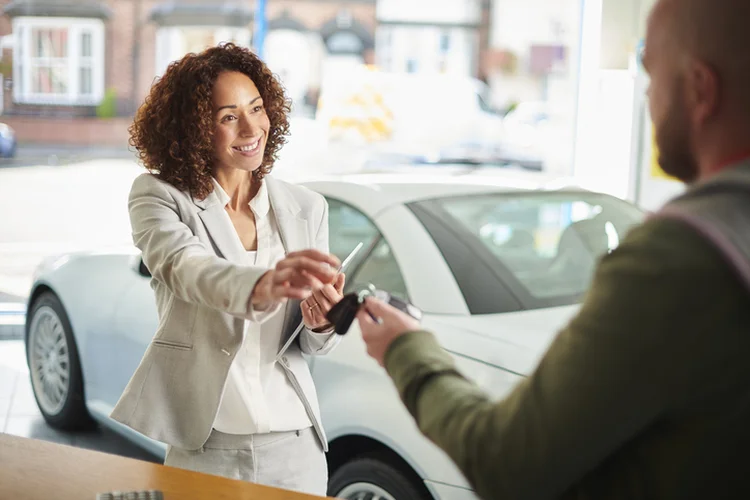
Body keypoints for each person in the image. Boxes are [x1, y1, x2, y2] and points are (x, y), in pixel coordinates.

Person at [358, 0, 750, 498]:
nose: (647, 97)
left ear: (700, 89)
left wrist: (405, 348)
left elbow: (505, 462)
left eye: (652, 75)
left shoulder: (675, 260)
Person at [111, 43, 344, 496]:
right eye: (229, 116)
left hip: (296, 445)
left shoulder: (306, 207)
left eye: (257, 108)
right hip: (207, 446)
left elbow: (312, 345)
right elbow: (186, 268)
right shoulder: (159, 197)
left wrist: (321, 323)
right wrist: (263, 283)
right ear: (196, 128)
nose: (252, 127)